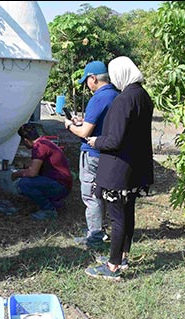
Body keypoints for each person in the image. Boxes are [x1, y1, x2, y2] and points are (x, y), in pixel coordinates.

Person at [84, 56, 154, 280]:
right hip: (135, 167)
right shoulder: (143, 96)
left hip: (118, 169)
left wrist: (95, 141)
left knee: (117, 217)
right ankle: (123, 256)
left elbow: (114, 140)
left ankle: (112, 266)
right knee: (128, 213)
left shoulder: (124, 100)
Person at [64, 61, 119, 248]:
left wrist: (70, 125)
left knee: (91, 195)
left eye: (87, 80)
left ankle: (94, 236)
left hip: (93, 153)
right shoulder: (115, 95)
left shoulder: (98, 98)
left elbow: (85, 133)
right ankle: (99, 230)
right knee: (101, 194)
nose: (87, 85)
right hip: (108, 153)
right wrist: (83, 121)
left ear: (93, 78)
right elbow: (97, 124)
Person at [12, 123, 73, 220]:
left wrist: (16, 174)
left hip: (59, 185)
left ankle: (48, 210)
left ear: (26, 140)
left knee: (23, 183)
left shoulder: (39, 147)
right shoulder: (44, 142)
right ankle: (55, 203)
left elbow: (32, 172)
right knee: (30, 181)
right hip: (63, 183)